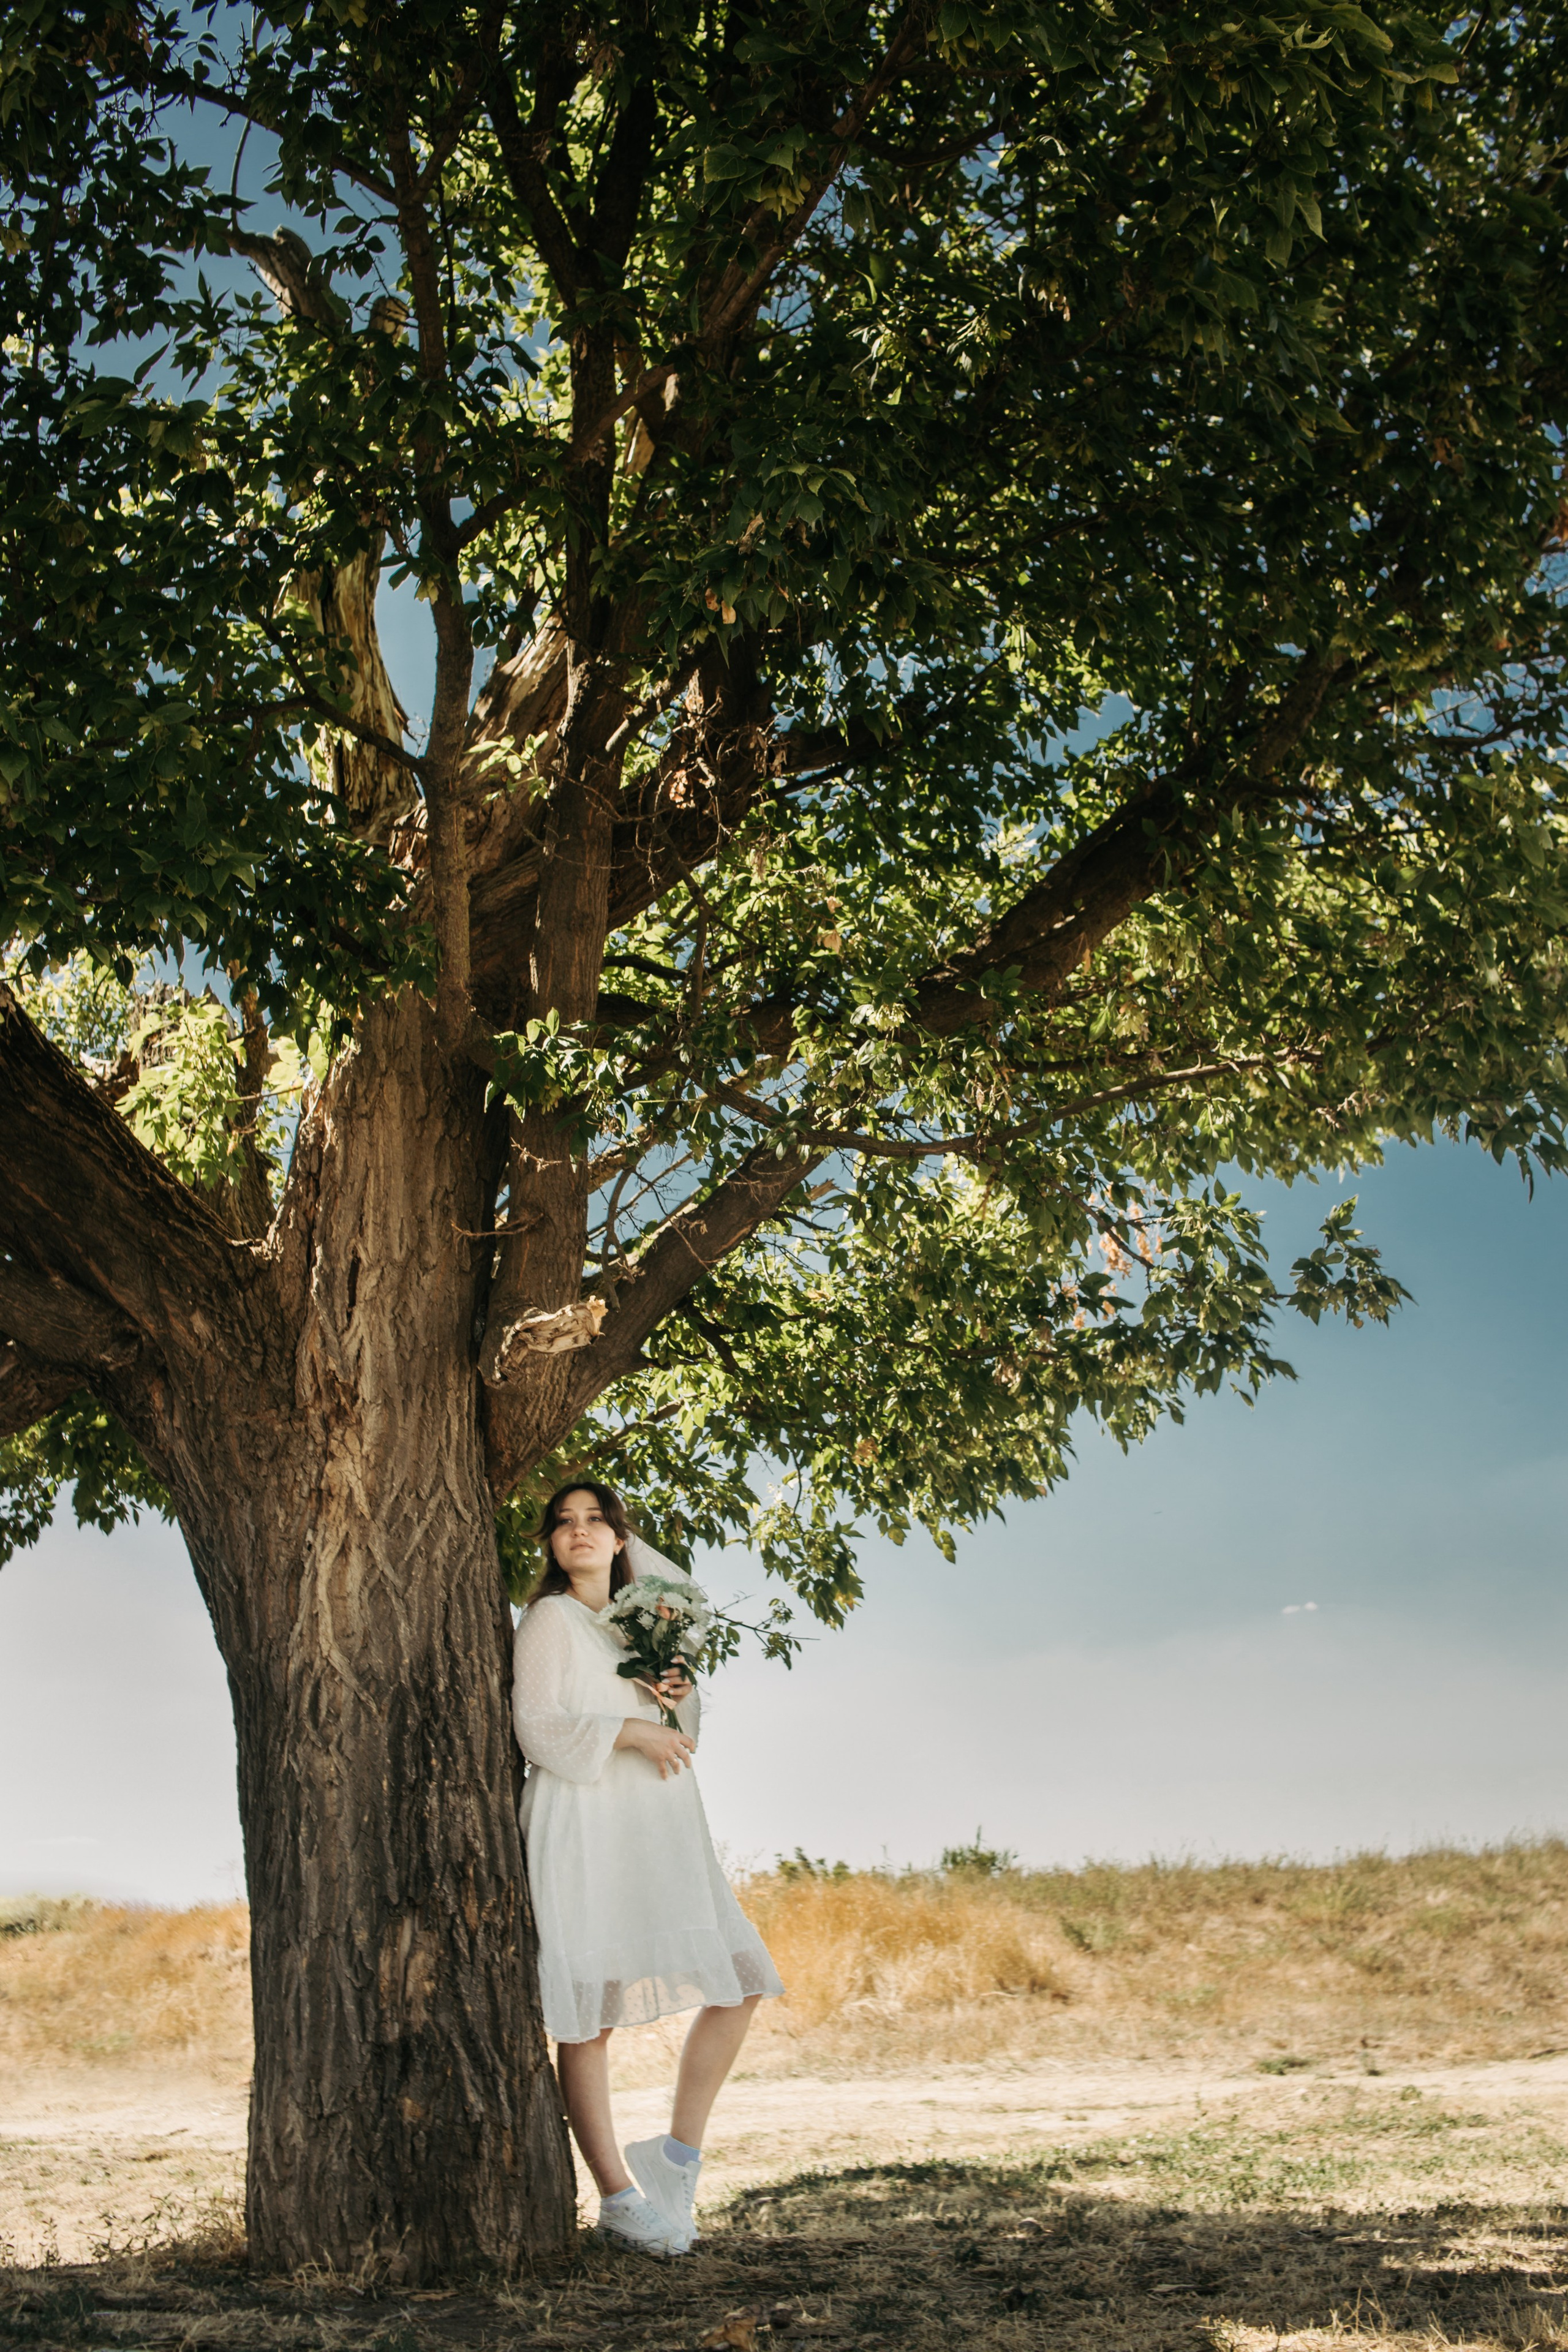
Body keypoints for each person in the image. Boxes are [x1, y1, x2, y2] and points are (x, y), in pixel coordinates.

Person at [511, 1480, 783, 2258]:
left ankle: (675, 2157)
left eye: (596, 1520)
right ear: (552, 1545)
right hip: (585, 1824)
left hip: (655, 1829)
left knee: (743, 1980)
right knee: (588, 2015)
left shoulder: (645, 1626)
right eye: (564, 1523)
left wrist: (674, 1694)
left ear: (622, 1538)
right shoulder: (550, 1619)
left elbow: (681, 1729)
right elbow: (535, 1727)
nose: (580, 1532)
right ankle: (619, 2199)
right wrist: (630, 1729)